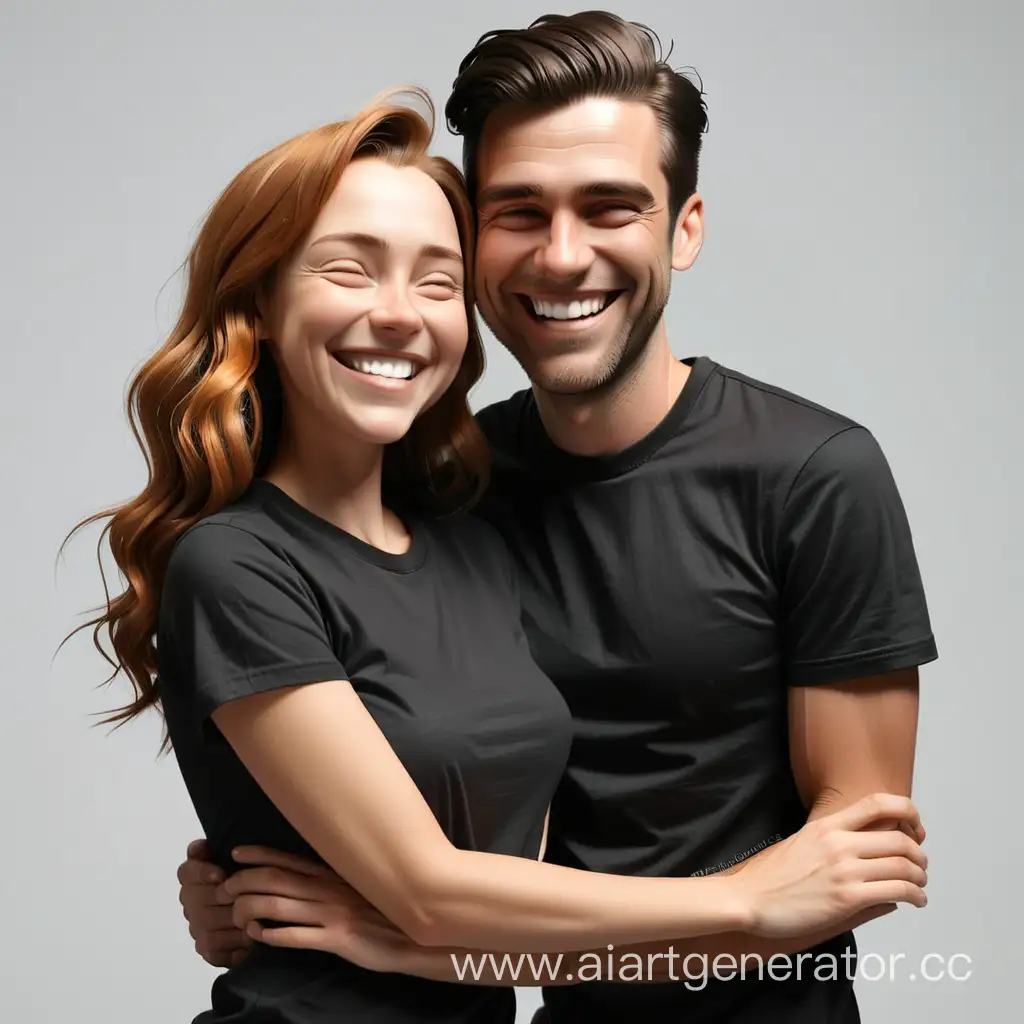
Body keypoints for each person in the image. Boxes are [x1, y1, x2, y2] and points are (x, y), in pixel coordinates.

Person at [66, 86, 928, 1024]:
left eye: (609, 207)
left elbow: (846, 874)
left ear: (683, 229)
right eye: (521, 213)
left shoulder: (804, 475)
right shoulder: (443, 501)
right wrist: (745, 898)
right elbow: (437, 874)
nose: (562, 255)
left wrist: (412, 938)